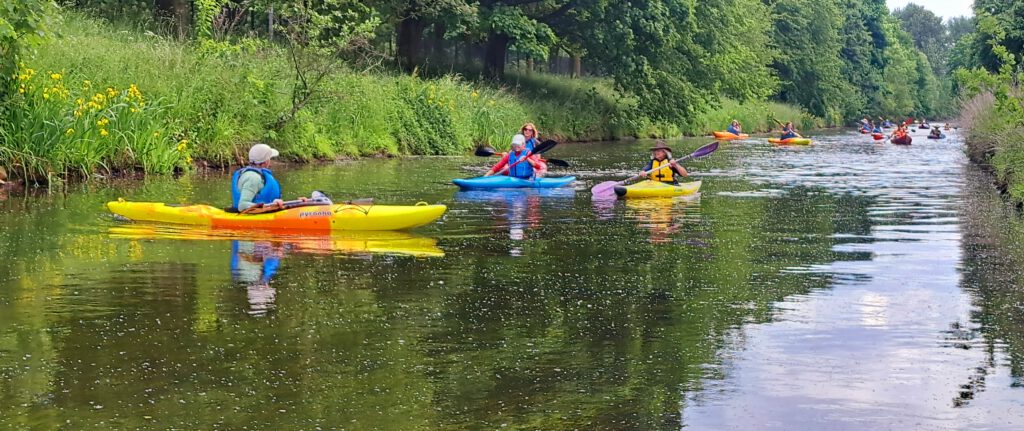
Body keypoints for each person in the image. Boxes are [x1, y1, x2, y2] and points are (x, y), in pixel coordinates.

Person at [231, 143, 307, 212]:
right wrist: (270, 206)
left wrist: (298, 203)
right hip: (252, 217)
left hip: (262, 213)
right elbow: (242, 205)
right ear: (266, 162)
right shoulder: (253, 178)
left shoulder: (257, 175)